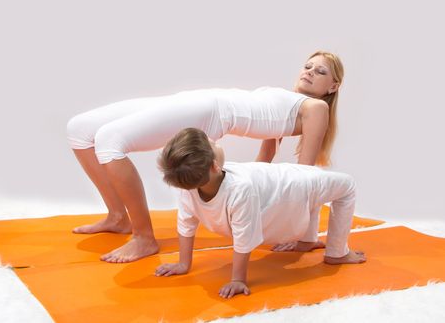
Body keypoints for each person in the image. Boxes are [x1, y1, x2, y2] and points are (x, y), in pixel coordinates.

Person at [66, 51, 344, 263]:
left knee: (109, 141)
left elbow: (305, 175)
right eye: (308, 66)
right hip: (198, 99)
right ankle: (117, 216)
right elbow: (267, 154)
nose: (309, 72)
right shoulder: (285, 99)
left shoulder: (316, 107)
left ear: (332, 86)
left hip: (210, 110)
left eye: (320, 71)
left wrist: (303, 236)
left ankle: (143, 237)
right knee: (78, 129)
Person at [155, 128, 365, 299]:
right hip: (292, 187)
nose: (215, 142)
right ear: (214, 167)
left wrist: (184, 263)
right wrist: (238, 279)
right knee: (347, 186)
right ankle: (338, 253)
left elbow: (186, 223)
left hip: (282, 183)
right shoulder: (240, 190)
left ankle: (307, 241)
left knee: (311, 197)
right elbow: (243, 239)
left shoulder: (186, 186)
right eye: (213, 145)